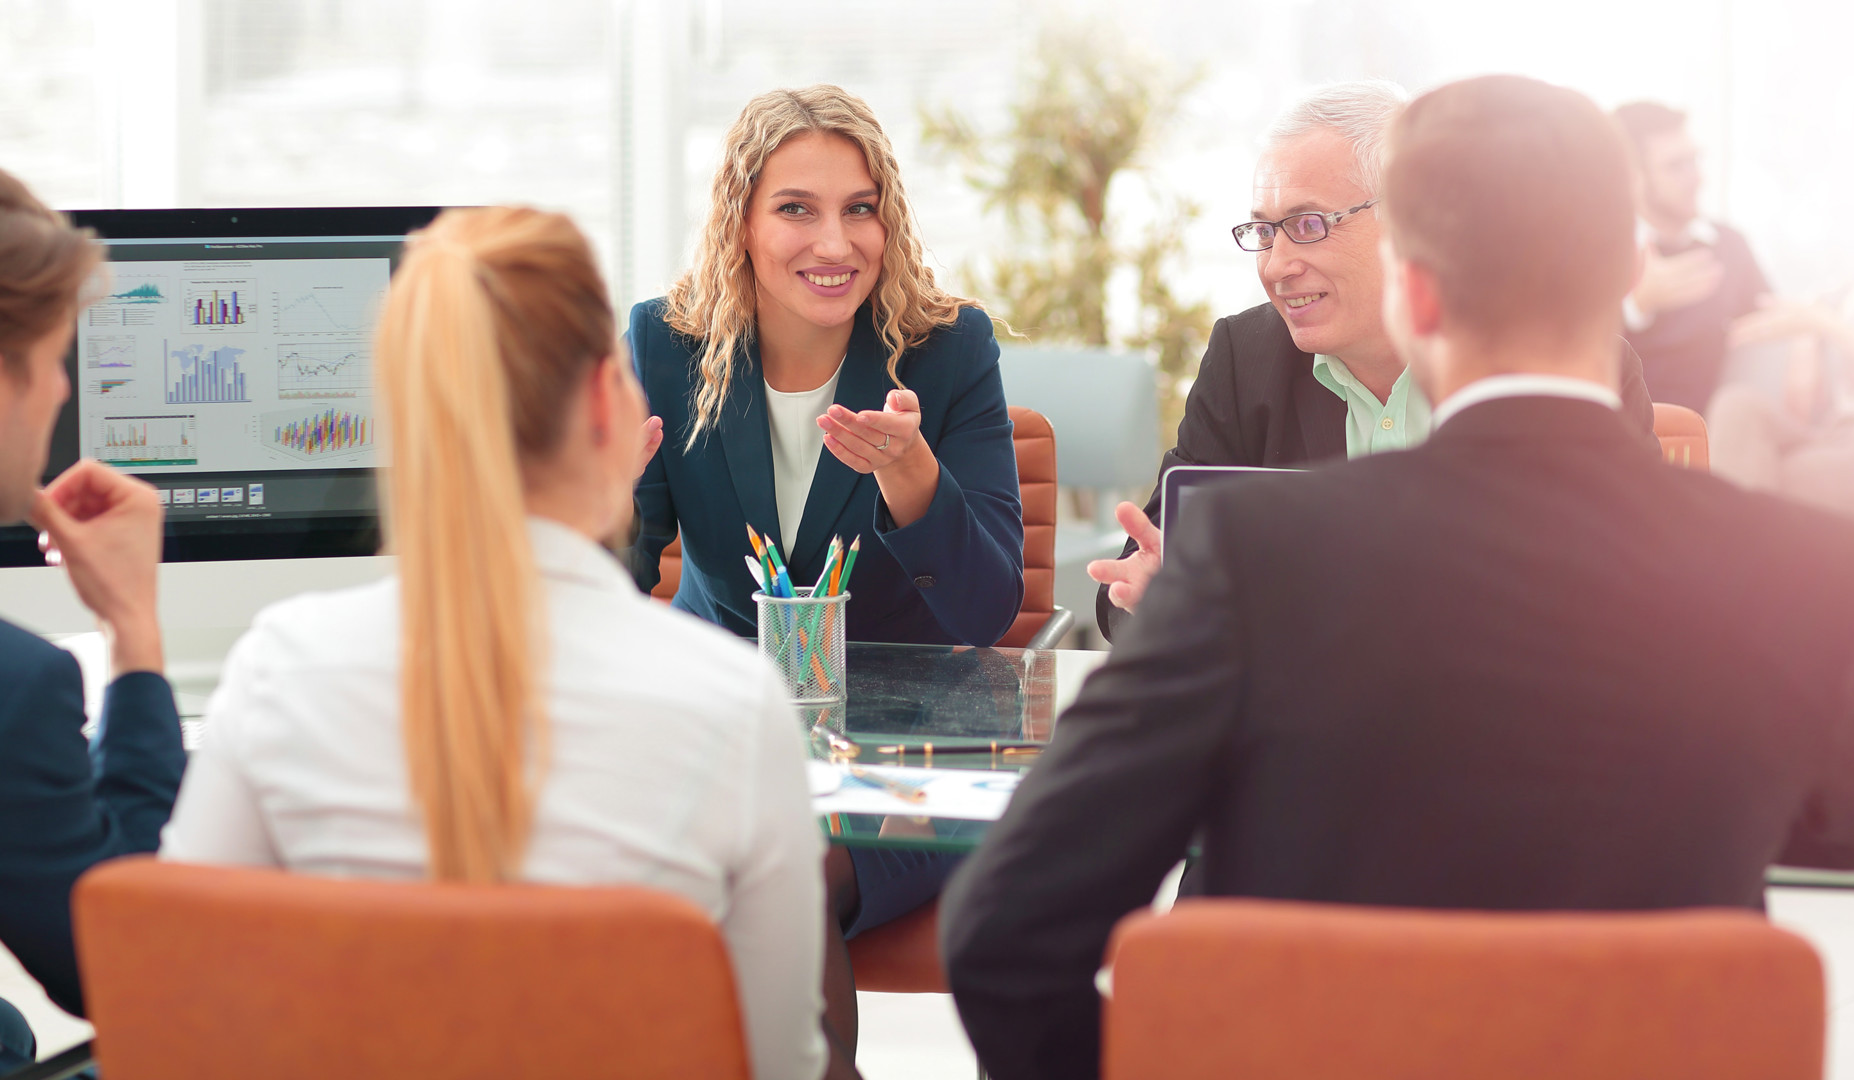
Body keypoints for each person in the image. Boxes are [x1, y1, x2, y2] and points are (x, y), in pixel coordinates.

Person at [942, 75, 1854, 1080]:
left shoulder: (1248, 553)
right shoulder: (1799, 571)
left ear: (1411, 292)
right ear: (1630, 266)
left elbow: (1003, 933)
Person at [161, 207, 827, 1080]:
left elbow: (184, 1010)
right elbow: (778, 1062)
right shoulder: (732, 707)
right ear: (601, 401)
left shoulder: (279, 672)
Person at [626, 85, 1023, 1075]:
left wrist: (912, 478)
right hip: (728, 744)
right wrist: (589, 501)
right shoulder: (666, 349)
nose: (833, 241)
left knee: (780, 876)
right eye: (796, 208)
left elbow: (984, 610)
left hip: (907, 759)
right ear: (743, 223)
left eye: (859, 207)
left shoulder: (947, 350)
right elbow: (615, 576)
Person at [1089, 80, 1658, 641]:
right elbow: (1134, 580)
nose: (1274, 265)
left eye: (1308, 225)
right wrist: (1154, 597)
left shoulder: (1554, 362)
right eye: (1264, 231)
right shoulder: (1246, 358)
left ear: (1406, 222)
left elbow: (1635, 588)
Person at [0, 169, 186, 1059]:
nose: (62, 394)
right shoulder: (17, 687)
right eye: (48, 362)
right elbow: (126, 964)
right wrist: (134, 637)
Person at [1706, 224, 1854, 526]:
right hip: (1839, 433)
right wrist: (1807, 336)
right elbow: (1825, 301)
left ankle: (1724, 566)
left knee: (1747, 481)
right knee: (1737, 406)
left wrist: (1827, 326)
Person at [1614, 100, 1771, 414]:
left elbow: (1771, 317)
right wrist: (1637, 305)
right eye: (1676, 166)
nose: (1698, 178)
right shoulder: (1602, 251)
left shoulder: (1729, 246)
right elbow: (1565, 358)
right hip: (1629, 441)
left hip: (1714, 440)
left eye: (1695, 161)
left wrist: (1807, 343)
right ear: (1633, 177)